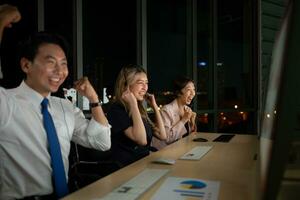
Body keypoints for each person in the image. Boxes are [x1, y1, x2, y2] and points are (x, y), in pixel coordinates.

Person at [0, 5, 111, 200]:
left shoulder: (64, 107)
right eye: (51, 62)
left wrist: (93, 99)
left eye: (64, 64)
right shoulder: (7, 103)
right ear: (26, 65)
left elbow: (102, 142)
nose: (60, 71)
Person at [106, 64, 166, 168]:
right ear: (126, 86)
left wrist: (155, 106)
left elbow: (162, 135)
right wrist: (133, 104)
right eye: (140, 83)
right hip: (125, 169)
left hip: (143, 164)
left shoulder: (139, 109)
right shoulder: (116, 110)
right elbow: (141, 140)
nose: (145, 88)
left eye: (146, 83)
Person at [152, 76, 197, 150]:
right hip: (163, 153)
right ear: (179, 93)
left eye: (194, 89)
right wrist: (184, 120)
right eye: (189, 90)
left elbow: (189, 137)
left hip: (179, 150)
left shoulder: (187, 109)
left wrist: (192, 123)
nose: (193, 93)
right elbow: (167, 139)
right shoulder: (166, 110)